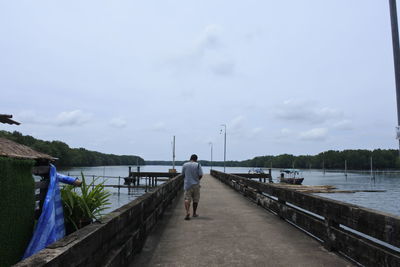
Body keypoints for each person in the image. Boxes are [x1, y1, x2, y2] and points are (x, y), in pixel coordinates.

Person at [182, 154, 203, 220]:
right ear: (196, 159)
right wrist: (197, 180)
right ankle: (194, 213)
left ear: (190, 158)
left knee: (187, 199)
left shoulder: (185, 165)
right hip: (196, 184)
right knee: (195, 199)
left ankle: (187, 212)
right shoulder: (197, 165)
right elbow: (200, 174)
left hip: (187, 185)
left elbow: (183, 174)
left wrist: (187, 180)